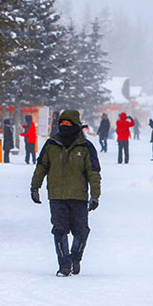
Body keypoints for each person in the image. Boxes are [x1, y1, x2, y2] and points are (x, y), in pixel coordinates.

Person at [30, 110, 102, 277]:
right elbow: (41, 167)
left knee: (81, 231)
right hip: (57, 196)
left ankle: (75, 258)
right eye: (61, 124)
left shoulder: (86, 147)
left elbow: (93, 172)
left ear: (76, 126)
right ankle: (64, 265)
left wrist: (95, 195)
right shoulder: (51, 145)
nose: (64, 127)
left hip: (79, 196)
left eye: (68, 124)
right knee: (59, 230)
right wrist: (35, 187)